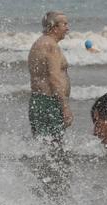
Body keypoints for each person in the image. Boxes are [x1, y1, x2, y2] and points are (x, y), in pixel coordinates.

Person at [27, 11, 73, 142]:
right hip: (49, 102)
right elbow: (54, 79)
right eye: (64, 24)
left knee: (44, 148)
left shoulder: (40, 43)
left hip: (39, 101)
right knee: (55, 149)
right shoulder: (51, 46)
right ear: (53, 27)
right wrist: (65, 107)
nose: (67, 28)